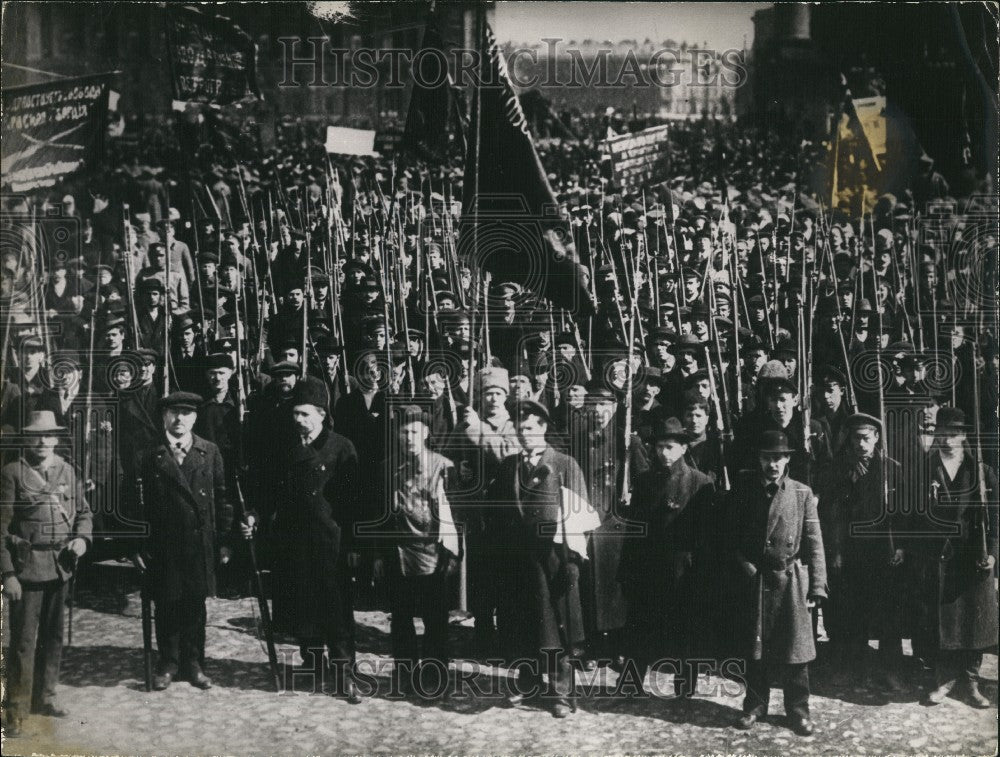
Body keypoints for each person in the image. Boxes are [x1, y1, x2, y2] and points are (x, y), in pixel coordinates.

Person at [486, 400, 598, 718]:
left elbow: (582, 518)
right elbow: (498, 516)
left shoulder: (563, 464)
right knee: (523, 623)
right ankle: (530, 683)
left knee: (556, 626)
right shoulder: (508, 466)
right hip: (518, 560)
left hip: (553, 559)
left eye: (531, 428)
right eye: (520, 429)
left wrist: (573, 563)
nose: (525, 434)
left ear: (544, 428)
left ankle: (562, 693)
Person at [270, 376, 363, 703]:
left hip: (332, 543)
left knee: (336, 612)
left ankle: (345, 673)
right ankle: (313, 663)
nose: (298, 420)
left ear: (322, 414)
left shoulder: (341, 447)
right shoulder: (285, 447)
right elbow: (276, 495)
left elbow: (354, 504)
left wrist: (353, 547)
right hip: (296, 541)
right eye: (295, 413)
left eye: (305, 414)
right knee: (303, 606)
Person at [728, 430, 827, 737]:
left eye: (779, 458)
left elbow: (814, 542)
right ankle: (755, 706)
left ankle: (798, 711)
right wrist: (745, 567)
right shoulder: (743, 490)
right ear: (759, 459)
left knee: (796, 653)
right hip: (756, 579)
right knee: (755, 649)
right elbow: (728, 538)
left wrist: (818, 585)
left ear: (788, 460)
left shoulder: (801, 493)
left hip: (790, 580)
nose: (773, 464)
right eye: (767, 457)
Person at [1, 411, 92, 737]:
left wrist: (82, 538)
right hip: (27, 569)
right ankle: (16, 710)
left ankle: (46, 697)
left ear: (56, 438)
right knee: (23, 643)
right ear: (27, 439)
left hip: (60, 567)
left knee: (53, 639)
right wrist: (7, 573)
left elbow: (83, 512)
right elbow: (1, 528)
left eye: (48, 435)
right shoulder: (12, 473)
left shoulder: (67, 470)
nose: (41, 442)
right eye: (35, 436)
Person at [135, 392, 233, 691]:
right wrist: (136, 546)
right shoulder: (149, 454)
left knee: (195, 606)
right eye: (174, 413)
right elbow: (134, 504)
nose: (180, 419)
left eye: (187, 413)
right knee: (165, 604)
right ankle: (168, 663)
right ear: (164, 416)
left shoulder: (209, 451)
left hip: (198, 542)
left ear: (195, 418)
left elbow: (223, 497)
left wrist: (225, 541)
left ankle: (194, 663)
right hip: (162, 544)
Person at [619, 417, 714, 696]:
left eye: (671, 447)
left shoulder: (700, 483)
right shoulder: (645, 481)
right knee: (639, 628)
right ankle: (630, 683)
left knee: (685, 629)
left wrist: (703, 575)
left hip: (684, 569)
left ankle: (684, 687)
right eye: (660, 446)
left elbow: (707, 538)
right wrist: (628, 570)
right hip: (649, 567)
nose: (664, 453)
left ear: (684, 448)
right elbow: (635, 530)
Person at [377, 405, 461, 696]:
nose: (409, 437)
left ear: (425, 433)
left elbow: (454, 517)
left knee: (435, 620)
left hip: (432, 553)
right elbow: (382, 515)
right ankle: (405, 677)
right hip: (398, 553)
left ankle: (436, 678)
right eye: (403, 431)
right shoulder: (388, 467)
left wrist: (450, 554)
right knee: (401, 619)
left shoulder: (443, 467)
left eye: (414, 431)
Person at [918, 408, 998, 709]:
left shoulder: (982, 471)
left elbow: (996, 516)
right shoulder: (926, 468)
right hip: (940, 555)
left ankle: (971, 682)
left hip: (973, 555)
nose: (948, 439)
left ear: (964, 435)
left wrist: (992, 554)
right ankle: (944, 680)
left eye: (954, 433)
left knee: (974, 621)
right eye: (943, 433)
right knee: (944, 621)